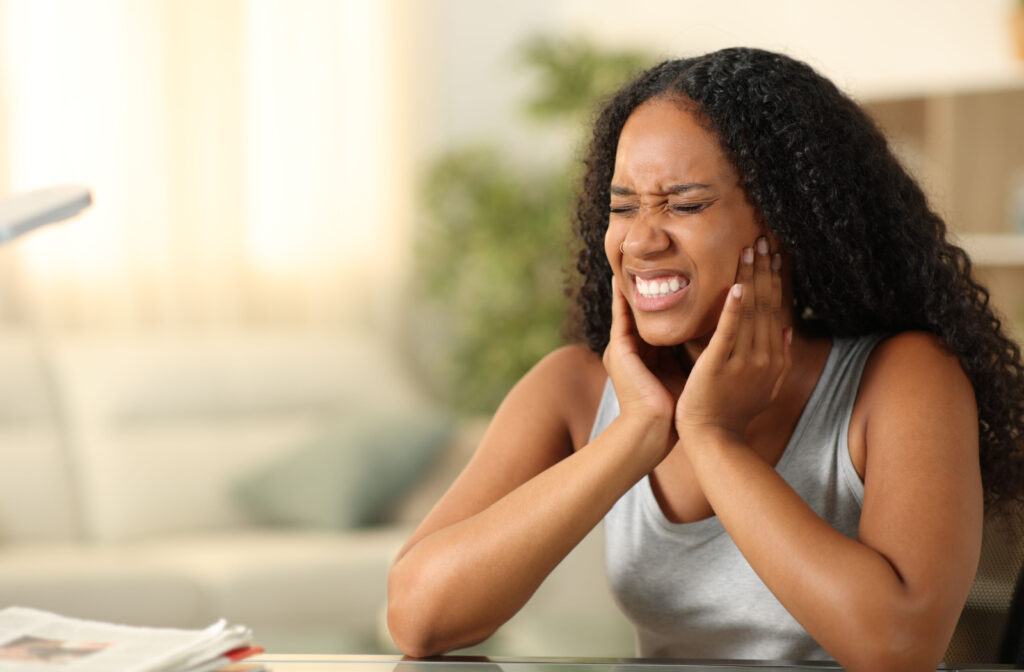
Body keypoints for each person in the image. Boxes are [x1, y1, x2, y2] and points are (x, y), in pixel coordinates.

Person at [386, 47, 1024, 671]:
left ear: (788, 220)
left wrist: (713, 438)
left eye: (686, 204)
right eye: (623, 206)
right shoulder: (573, 388)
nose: (641, 239)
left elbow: (898, 647)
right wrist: (637, 430)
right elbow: (418, 617)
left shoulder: (902, 378)